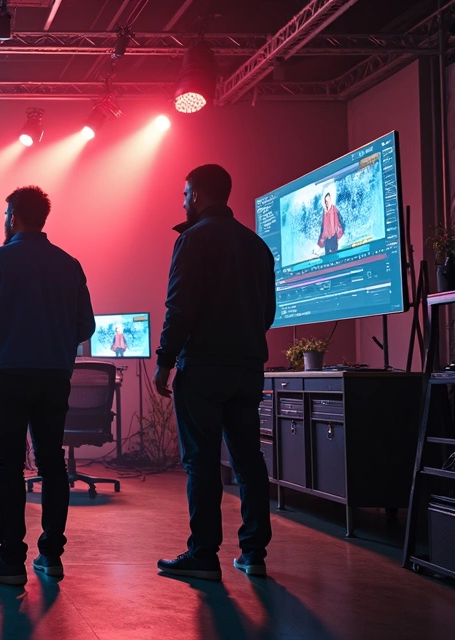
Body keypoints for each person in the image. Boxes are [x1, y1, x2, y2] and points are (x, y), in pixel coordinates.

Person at [0, 185, 95, 585]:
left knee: (7, 464)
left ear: (14, 217)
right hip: (54, 377)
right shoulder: (69, 264)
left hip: (8, 375)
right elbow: (86, 326)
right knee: (51, 461)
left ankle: (11, 560)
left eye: (6, 214)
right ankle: (51, 556)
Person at [154, 164, 276, 580]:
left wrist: (164, 362)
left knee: (202, 464)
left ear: (200, 194)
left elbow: (180, 307)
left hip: (203, 369)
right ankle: (254, 554)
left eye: (186, 193)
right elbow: (269, 314)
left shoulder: (192, 240)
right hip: (247, 369)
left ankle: (203, 555)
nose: (183, 201)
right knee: (249, 461)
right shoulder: (257, 246)